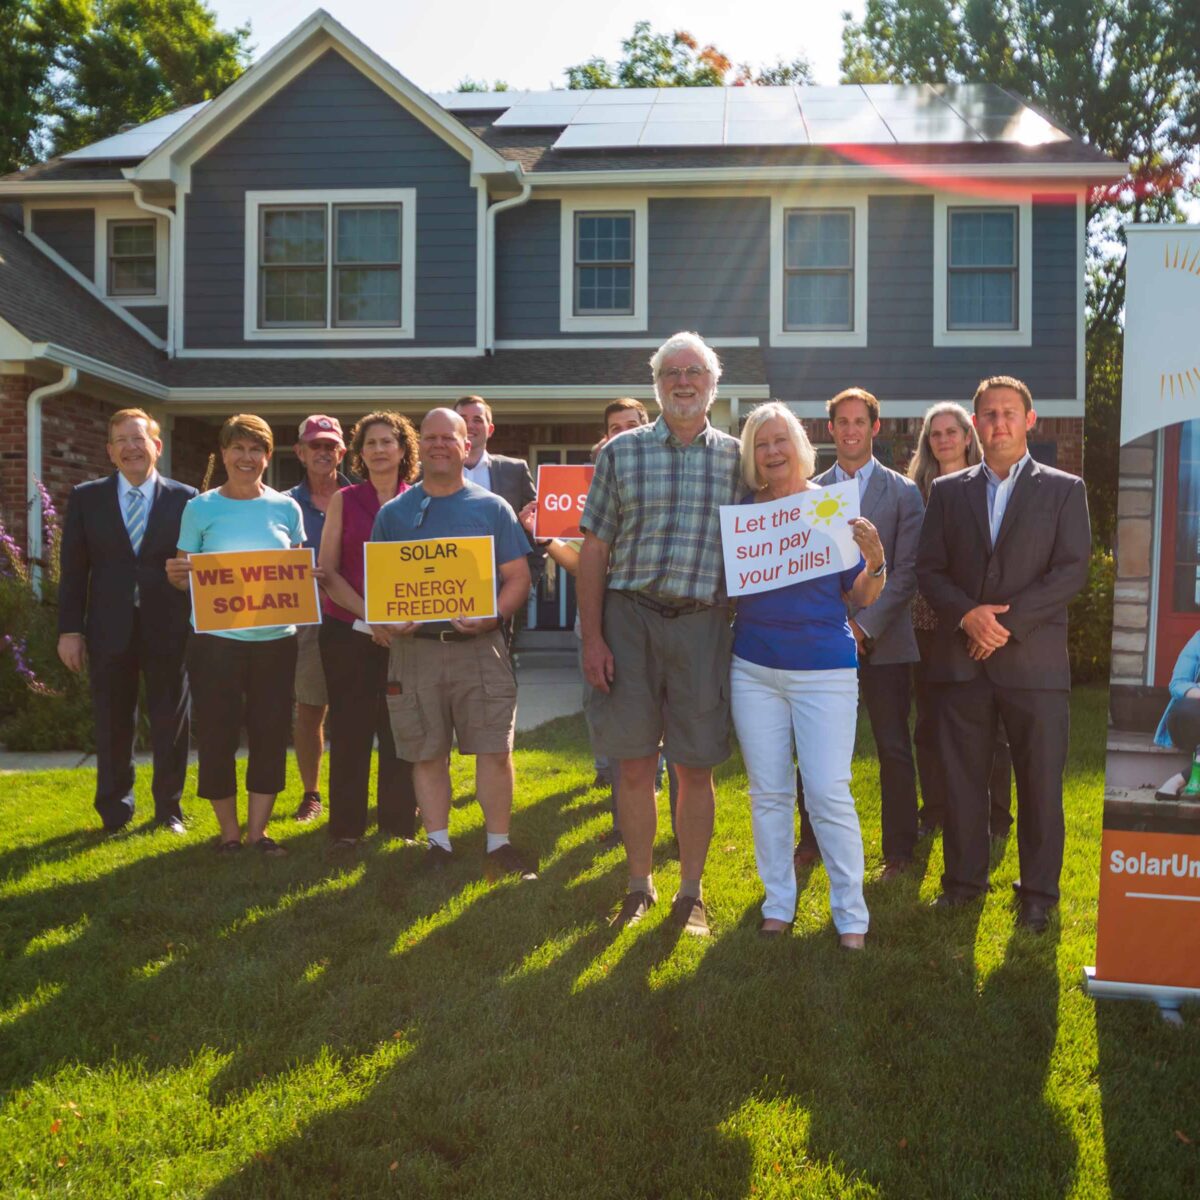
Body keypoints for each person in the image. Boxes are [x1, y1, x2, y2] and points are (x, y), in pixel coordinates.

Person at [579, 331, 742, 936]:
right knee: (633, 764)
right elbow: (594, 547)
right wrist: (592, 636)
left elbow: (772, 526)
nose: (683, 381)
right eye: (671, 372)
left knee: (695, 765)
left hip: (702, 622)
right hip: (629, 618)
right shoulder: (620, 454)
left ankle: (691, 892)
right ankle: (639, 884)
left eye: (694, 371)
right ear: (657, 384)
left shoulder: (737, 457)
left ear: (712, 384)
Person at [917, 375, 1091, 932]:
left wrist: (1002, 624)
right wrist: (968, 614)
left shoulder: (1064, 489)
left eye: (1009, 412)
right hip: (962, 662)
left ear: (1029, 419)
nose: (998, 422)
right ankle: (964, 885)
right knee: (963, 780)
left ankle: (1038, 894)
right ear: (975, 425)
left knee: (1039, 784)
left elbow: (1071, 571)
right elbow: (929, 569)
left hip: (1034, 665)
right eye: (988, 414)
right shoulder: (948, 492)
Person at [732, 403, 885, 948]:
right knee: (768, 793)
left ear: (798, 444)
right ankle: (778, 904)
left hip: (824, 670)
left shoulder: (828, 509)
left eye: (779, 441)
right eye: (760, 445)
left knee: (827, 791)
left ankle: (852, 916)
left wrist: (875, 563)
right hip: (753, 669)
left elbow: (860, 596)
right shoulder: (744, 515)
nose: (771, 452)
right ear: (752, 456)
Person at [371, 407, 536, 880]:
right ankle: (438, 844)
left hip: (479, 649)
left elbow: (517, 579)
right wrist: (389, 620)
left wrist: (495, 614)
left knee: (493, 748)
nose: (439, 444)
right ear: (418, 446)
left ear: (468, 446)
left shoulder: (491, 508)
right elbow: (383, 586)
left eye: (450, 437)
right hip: (414, 651)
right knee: (425, 750)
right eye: (430, 437)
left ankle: (498, 843)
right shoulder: (394, 514)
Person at [517, 397, 676, 845]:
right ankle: (619, 797)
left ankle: (654, 793)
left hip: (650, 614)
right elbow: (585, 562)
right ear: (603, 436)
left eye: (630, 424)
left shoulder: (661, 476)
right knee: (604, 709)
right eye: (613, 427)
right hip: (598, 616)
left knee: (656, 711)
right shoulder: (588, 482)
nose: (621, 433)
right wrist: (546, 540)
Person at [793, 388, 924, 881]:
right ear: (830, 430)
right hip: (824, 640)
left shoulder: (903, 493)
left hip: (885, 642)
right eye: (841, 422)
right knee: (817, 747)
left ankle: (899, 852)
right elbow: (805, 568)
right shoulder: (810, 490)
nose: (850, 430)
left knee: (892, 746)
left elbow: (908, 572)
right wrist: (838, 623)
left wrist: (864, 625)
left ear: (875, 427)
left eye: (859, 421)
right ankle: (811, 842)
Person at [166, 414, 306, 857]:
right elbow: (183, 574)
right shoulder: (200, 508)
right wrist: (176, 575)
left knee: (269, 733)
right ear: (223, 454)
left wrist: (308, 576)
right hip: (215, 644)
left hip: (276, 642)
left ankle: (258, 833)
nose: (247, 457)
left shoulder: (286, 507)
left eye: (256, 449)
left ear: (268, 456)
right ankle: (228, 834)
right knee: (217, 734)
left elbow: (297, 565)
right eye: (238, 448)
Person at [57, 408, 196, 834]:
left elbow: (200, 564)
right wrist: (70, 630)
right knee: (113, 719)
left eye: (139, 438)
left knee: (170, 721)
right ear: (110, 452)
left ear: (157, 445)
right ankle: (115, 810)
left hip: (168, 626)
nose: (131, 447)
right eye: (121, 440)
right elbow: (74, 570)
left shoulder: (186, 498)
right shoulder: (87, 497)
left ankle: (168, 810)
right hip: (108, 628)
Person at [907, 402, 1013, 839]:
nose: (945, 439)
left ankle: (997, 816)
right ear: (927, 442)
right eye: (936, 433)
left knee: (992, 725)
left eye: (952, 431)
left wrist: (977, 617)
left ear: (968, 436)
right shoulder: (913, 489)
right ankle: (935, 810)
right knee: (930, 723)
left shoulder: (989, 485)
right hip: (925, 623)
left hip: (975, 623)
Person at [317, 412, 420, 852]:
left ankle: (398, 825)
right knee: (350, 729)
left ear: (403, 449)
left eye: (387, 441)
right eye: (370, 443)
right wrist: (371, 618)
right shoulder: (345, 498)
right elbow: (327, 571)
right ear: (359, 453)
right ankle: (346, 827)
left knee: (401, 731)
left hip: (406, 634)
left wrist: (396, 623)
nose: (379, 449)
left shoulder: (419, 499)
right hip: (348, 630)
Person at [285, 415, 353, 823]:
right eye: (315, 446)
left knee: (368, 707)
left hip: (357, 613)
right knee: (310, 707)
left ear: (342, 451)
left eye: (331, 446)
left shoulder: (362, 496)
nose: (323, 453)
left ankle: (370, 790)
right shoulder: (281, 503)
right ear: (300, 452)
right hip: (308, 617)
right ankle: (312, 794)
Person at [454, 395, 544, 586]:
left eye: (477, 420)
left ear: (490, 429)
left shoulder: (514, 470)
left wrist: (528, 578)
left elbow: (536, 526)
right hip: (444, 584)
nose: (470, 425)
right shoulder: (426, 472)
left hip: (500, 587)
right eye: (462, 419)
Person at [1152, 630, 1200, 799]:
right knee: (1186, 707)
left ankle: (1179, 780)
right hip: (1192, 721)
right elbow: (1177, 684)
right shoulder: (1198, 639)